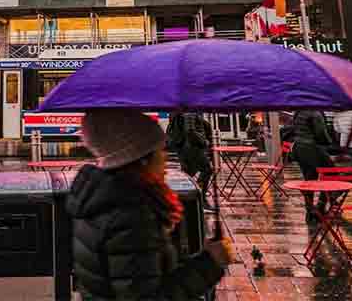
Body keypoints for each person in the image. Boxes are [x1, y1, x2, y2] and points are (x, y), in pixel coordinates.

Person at [68, 109, 234, 299]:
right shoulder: (130, 216)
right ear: (142, 160)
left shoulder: (101, 200)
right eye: (160, 150)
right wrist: (210, 263)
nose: (165, 158)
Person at [290, 109, 334, 224]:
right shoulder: (315, 113)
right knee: (331, 174)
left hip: (299, 148)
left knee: (309, 179)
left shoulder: (299, 112)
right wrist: (330, 142)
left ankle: (310, 211)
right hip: (311, 147)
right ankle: (320, 206)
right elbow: (320, 133)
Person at [166, 112, 215, 210]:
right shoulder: (189, 108)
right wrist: (204, 141)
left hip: (183, 147)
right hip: (192, 147)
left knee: (188, 174)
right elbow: (190, 131)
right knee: (207, 170)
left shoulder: (181, 108)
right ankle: (201, 198)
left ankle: (180, 200)